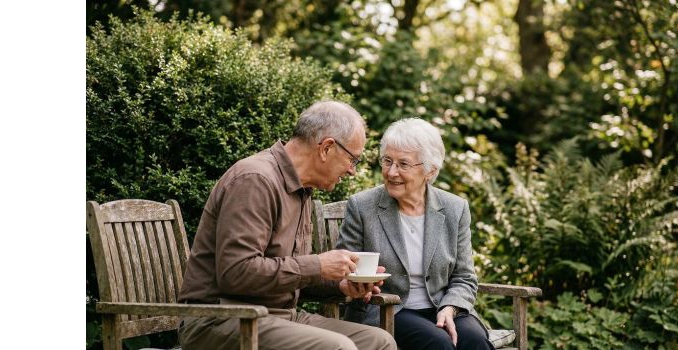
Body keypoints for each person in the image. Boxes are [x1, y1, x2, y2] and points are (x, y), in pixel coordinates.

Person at [177, 100, 397, 350]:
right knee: (338, 348)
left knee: (379, 342)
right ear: (326, 148)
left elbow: (288, 273)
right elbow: (236, 273)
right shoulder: (255, 180)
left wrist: (342, 284)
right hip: (220, 319)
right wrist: (318, 265)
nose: (351, 171)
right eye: (352, 159)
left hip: (278, 316)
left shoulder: (301, 189)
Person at [336, 118, 493, 350]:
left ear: (430, 171)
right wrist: (357, 284)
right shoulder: (363, 206)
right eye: (387, 161)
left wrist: (450, 307)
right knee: (438, 343)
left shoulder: (455, 208)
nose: (392, 172)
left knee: (474, 341)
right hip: (389, 310)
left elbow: (464, 277)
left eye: (403, 164)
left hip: (442, 306)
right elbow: (343, 267)